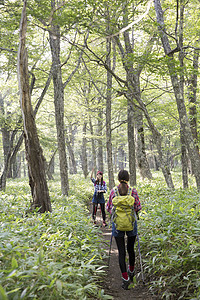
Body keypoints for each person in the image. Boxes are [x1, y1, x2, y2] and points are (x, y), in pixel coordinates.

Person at [106, 169, 141, 290]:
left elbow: (109, 208)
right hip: (131, 223)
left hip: (117, 225)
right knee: (130, 249)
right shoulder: (133, 191)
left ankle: (125, 279)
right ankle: (131, 272)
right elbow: (137, 207)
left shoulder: (113, 191)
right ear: (128, 178)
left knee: (121, 252)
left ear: (118, 178)